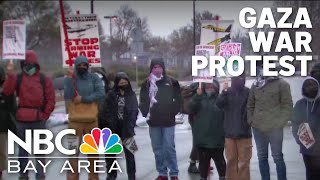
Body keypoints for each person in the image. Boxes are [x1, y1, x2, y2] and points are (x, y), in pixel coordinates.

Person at [3, 50, 56, 180]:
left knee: (39, 150)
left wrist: (44, 115)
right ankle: (24, 174)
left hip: (38, 118)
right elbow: (7, 91)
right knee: (23, 151)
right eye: (26, 63)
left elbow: (51, 99)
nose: (29, 65)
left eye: (31, 63)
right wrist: (10, 75)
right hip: (23, 119)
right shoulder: (18, 77)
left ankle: (39, 175)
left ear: (36, 63)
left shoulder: (44, 79)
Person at [247, 65, 293, 180]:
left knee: (278, 157)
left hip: (275, 129)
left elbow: (287, 106)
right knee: (262, 157)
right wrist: (251, 120)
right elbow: (250, 105)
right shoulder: (255, 84)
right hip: (258, 128)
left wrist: (280, 122)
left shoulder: (282, 84)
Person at [139, 58, 182, 180]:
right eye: (154, 67)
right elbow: (142, 100)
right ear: (151, 69)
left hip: (168, 121)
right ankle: (162, 172)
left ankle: (174, 173)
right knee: (157, 148)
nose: (157, 69)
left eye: (159, 67)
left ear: (163, 68)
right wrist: (145, 111)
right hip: (154, 121)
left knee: (169, 147)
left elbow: (178, 99)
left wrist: (173, 110)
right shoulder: (146, 84)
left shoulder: (172, 82)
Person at [64, 56, 105, 180]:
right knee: (72, 153)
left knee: (93, 154)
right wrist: (70, 79)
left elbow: (101, 93)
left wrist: (83, 99)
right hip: (74, 122)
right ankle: (72, 177)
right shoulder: (70, 78)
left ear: (88, 65)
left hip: (91, 121)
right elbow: (68, 95)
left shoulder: (94, 78)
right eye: (80, 65)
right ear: (76, 66)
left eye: (84, 65)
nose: (82, 67)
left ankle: (93, 177)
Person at [99, 72, 139, 180]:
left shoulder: (131, 94)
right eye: (121, 82)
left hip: (127, 129)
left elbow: (135, 111)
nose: (123, 84)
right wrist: (108, 125)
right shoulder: (111, 95)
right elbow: (104, 111)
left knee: (130, 154)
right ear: (117, 83)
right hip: (112, 128)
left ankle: (132, 176)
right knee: (110, 154)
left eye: (125, 82)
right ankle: (111, 175)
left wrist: (131, 125)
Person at [216, 74, 252, 180]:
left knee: (244, 163)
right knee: (231, 161)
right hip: (229, 134)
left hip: (245, 134)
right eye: (237, 78)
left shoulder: (248, 92)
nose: (239, 80)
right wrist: (224, 91)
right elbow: (219, 104)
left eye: (241, 78)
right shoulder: (227, 92)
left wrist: (249, 123)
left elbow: (254, 109)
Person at [189, 79, 226, 180]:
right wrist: (197, 96)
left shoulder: (220, 99)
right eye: (208, 86)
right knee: (203, 164)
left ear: (216, 88)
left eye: (212, 86)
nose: (210, 88)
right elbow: (190, 108)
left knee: (220, 163)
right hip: (202, 141)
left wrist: (225, 92)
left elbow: (228, 107)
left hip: (217, 140)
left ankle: (222, 177)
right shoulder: (199, 98)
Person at [292, 77, 320, 180]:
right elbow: (295, 124)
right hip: (307, 149)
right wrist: (301, 141)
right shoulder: (300, 104)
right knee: (310, 175)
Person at [0, 66, 17, 179]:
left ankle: (0, 170)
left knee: (1, 150)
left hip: (2, 123)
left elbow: (11, 106)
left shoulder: (6, 88)